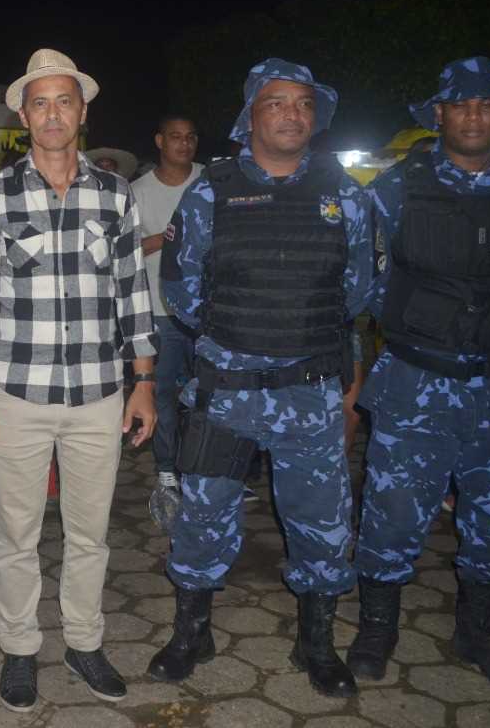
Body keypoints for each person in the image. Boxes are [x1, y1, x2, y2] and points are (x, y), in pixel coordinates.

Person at [153, 59, 370, 699]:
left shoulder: (346, 193)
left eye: (303, 103)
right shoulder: (210, 191)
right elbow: (183, 291)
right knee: (203, 514)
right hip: (228, 390)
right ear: (251, 116)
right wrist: (244, 342)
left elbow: (357, 289)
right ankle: (193, 632)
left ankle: (317, 642)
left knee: (322, 521)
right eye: (276, 102)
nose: (291, 113)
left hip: (309, 389)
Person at [0, 48, 157, 711]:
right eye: (39, 101)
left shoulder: (115, 196)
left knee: (90, 533)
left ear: (83, 111)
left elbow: (134, 295)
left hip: (99, 396)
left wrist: (144, 380)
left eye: (64, 100)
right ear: (23, 114)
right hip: (16, 396)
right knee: (16, 534)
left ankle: (84, 640)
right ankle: (18, 649)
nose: (52, 113)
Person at [350, 57, 490, 690]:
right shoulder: (395, 187)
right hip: (418, 378)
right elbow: (361, 273)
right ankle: (378, 627)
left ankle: (479, 632)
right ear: (438, 114)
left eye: (487, 105)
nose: (474, 116)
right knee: (392, 512)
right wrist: (421, 323)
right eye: (461, 105)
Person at [129, 115, 203, 530]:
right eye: (175, 136)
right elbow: (127, 250)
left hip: (208, 312)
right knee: (163, 397)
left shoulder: (210, 182)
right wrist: (171, 235)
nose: (184, 144)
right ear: (159, 140)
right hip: (161, 310)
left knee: (208, 396)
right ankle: (167, 470)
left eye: (191, 137)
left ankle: (205, 470)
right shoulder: (138, 192)